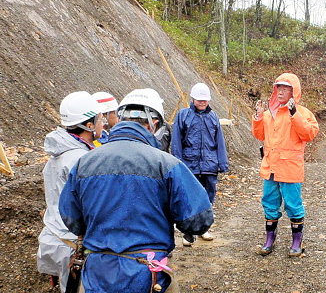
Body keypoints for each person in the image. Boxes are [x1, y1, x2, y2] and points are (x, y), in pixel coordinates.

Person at [59, 88, 214, 293]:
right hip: (148, 275)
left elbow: (71, 219)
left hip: (97, 274)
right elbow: (198, 221)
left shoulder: (83, 163)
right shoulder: (166, 164)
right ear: (155, 123)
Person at [37, 91, 103, 293]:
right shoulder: (81, 160)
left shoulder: (57, 156)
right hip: (73, 243)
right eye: (99, 119)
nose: (103, 124)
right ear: (89, 125)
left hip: (54, 237)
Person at [252, 73, 319, 257]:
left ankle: (297, 242)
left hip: (290, 169)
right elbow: (260, 135)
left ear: (294, 91)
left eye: (286, 88)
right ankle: (269, 241)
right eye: (278, 88)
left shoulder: (303, 113)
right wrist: (258, 117)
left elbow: (309, 134)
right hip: (270, 168)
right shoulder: (269, 113)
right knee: (269, 203)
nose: (281, 91)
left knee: (293, 205)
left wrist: (294, 114)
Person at [171, 82, 228, 244]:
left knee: (209, 197)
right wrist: (178, 163)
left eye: (205, 100)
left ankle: (205, 228)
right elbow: (176, 141)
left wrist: (222, 163)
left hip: (210, 165)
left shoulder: (213, 116)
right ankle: (189, 233)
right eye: (199, 100)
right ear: (193, 99)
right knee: (190, 198)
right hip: (189, 165)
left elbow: (219, 141)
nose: (202, 102)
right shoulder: (183, 115)